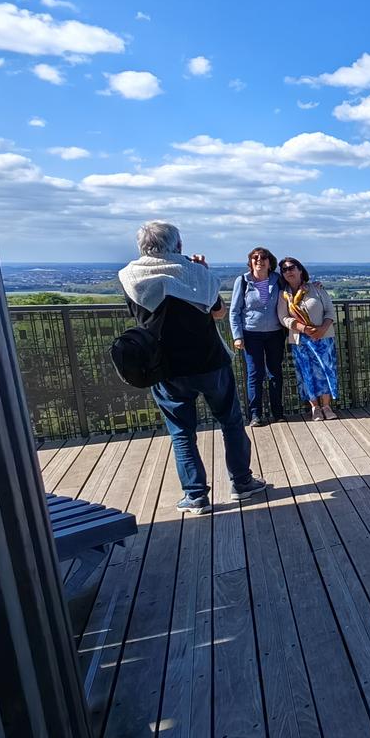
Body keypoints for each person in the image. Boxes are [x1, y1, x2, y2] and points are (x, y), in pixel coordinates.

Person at [118, 220, 267, 516]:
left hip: (164, 366)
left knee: (181, 432)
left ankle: (196, 495)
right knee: (231, 422)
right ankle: (242, 482)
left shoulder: (129, 277)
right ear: (179, 245)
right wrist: (202, 270)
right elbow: (218, 313)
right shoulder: (196, 274)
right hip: (209, 361)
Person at [276, 256, 339, 420]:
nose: (288, 271)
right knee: (306, 373)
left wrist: (321, 329)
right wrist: (303, 328)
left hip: (323, 338)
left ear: (300, 270)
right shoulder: (284, 296)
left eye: (291, 267)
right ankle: (315, 408)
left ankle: (326, 406)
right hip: (300, 340)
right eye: (284, 269)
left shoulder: (317, 289)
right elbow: (283, 318)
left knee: (326, 371)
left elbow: (330, 312)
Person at [229, 247, 286, 426]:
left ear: (270, 263)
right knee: (255, 374)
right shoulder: (243, 281)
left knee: (275, 373)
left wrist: (313, 286)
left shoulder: (278, 280)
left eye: (263, 257)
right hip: (251, 334)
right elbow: (234, 311)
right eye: (255, 257)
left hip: (275, 333)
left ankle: (278, 413)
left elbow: (295, 289)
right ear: (250, 261)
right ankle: (256, 415)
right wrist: (237, 336)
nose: (259, 260)